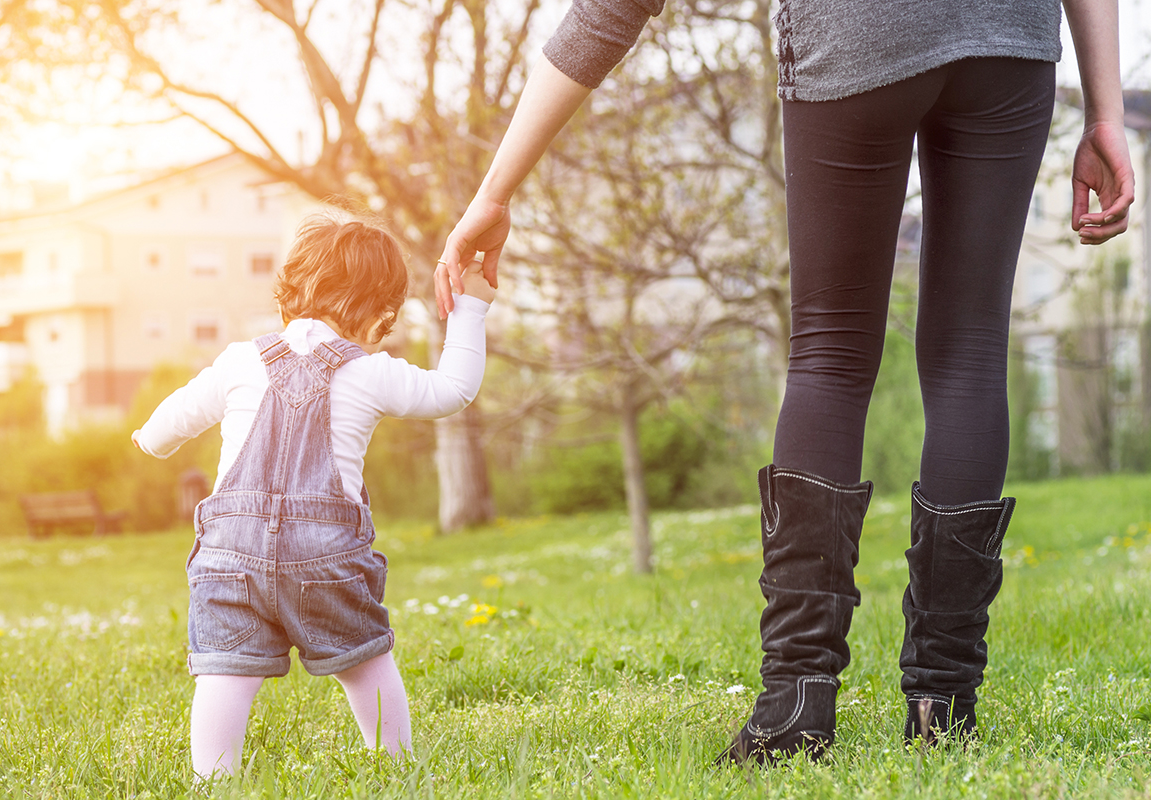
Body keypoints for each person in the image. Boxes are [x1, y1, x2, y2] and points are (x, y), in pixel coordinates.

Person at [434, 0, 1134, 766]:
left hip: (855, 30)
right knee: (970, 352)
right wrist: (1106, 112)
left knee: (830, 355)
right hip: (1009, 36)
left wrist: (494, 191)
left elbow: (614, 8)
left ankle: (797, 703)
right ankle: (943, 707)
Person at [133, 214, 495, 779]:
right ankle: (395, 766)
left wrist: (147, 440)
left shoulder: (238, 360)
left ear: (291, 291)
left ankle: (213, 782)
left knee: (225, 675)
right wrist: (469, 308)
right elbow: (453, 391)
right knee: (365, 660)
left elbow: (162, 430)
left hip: (230, 559)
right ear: (381, 312)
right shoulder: (372, 371)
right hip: (326, 558)